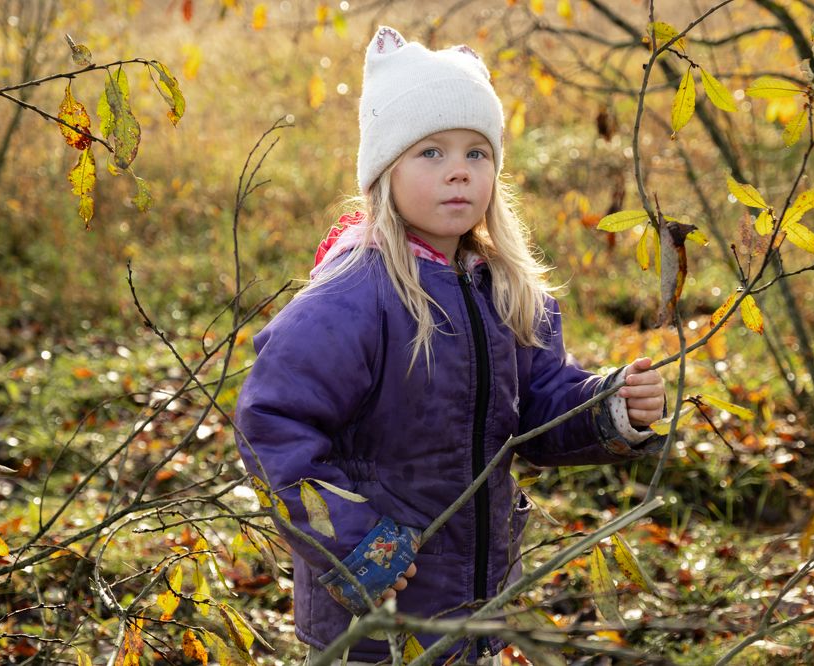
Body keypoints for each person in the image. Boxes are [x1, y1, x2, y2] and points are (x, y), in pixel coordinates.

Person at [234, 25, 667, 665]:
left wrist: (610, 408)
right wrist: (354, 547)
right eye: (431, 153)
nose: (459, 172)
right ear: (386, 169)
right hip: (375, 620)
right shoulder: (356, 292)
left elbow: (537, 408)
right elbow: (271, 420)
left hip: (477, 603)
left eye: (477, 153)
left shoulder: (507, 287)